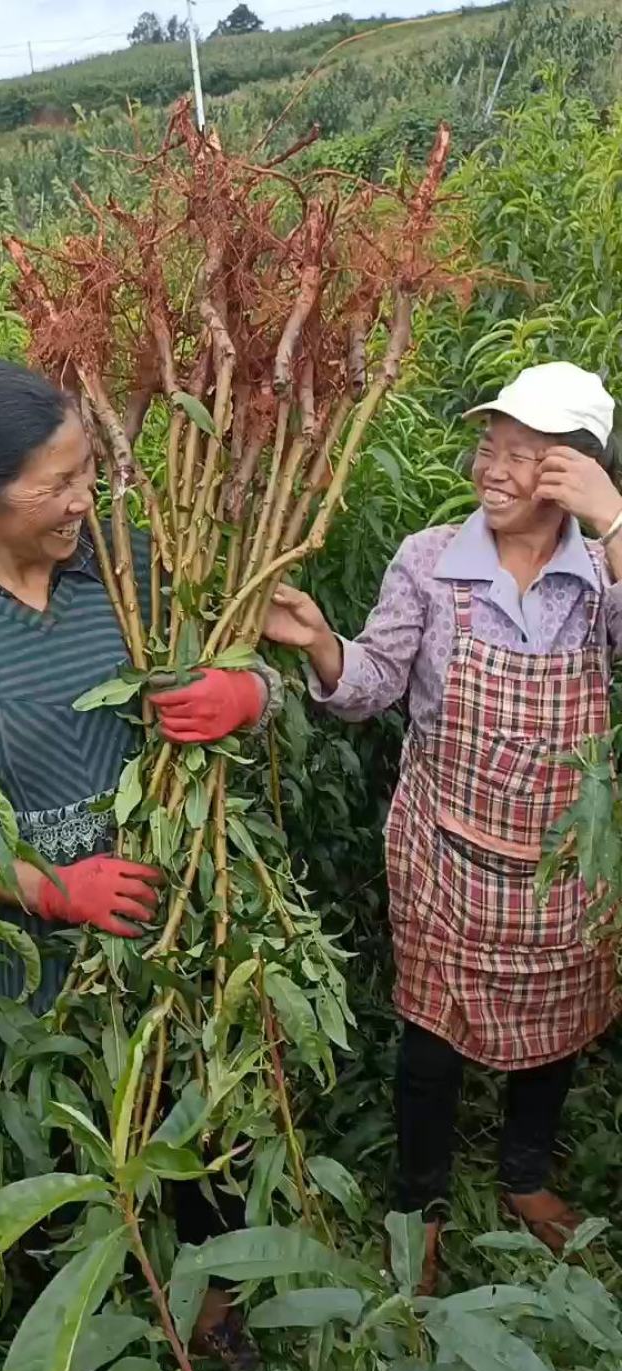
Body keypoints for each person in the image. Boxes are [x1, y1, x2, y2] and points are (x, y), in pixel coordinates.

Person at [0, 358, 281, 1358]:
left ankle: (214, 1304)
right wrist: (47, 887)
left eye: (86, 472)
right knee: (68, 1125)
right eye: (55, 485)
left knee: (196, 1100)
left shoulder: (132, 563)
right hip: (29, 958)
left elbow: (251, 657)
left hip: (167, 911)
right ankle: (94, 1321)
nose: (82, 499)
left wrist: (247, 693)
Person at [263, 361, 622, 1292]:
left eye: (524, 457)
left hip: (564, 863)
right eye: (488, 449)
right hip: (446, 847)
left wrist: (612, 521)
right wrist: (318, 642)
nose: (492, 471)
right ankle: (418, 1202)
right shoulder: (430, 560)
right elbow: (373, 686)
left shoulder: (601, 573)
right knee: (432, 1040)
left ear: (577, 471)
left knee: (560, 1023)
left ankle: (527, 1178)